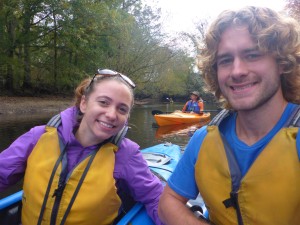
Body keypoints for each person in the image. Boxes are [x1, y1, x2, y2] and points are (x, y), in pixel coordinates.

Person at [158, 6, 300, 225]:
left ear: (282, 63)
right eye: (225, 60)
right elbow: (169, 201)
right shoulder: (202, 139)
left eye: (252, 55)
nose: (237, 71)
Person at [0, 69, 164, 225]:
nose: (112, 114)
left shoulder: (126, 154)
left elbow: (155, 197)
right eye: (103, 102)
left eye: (122, 109)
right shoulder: (37, 137)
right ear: (84, 103)